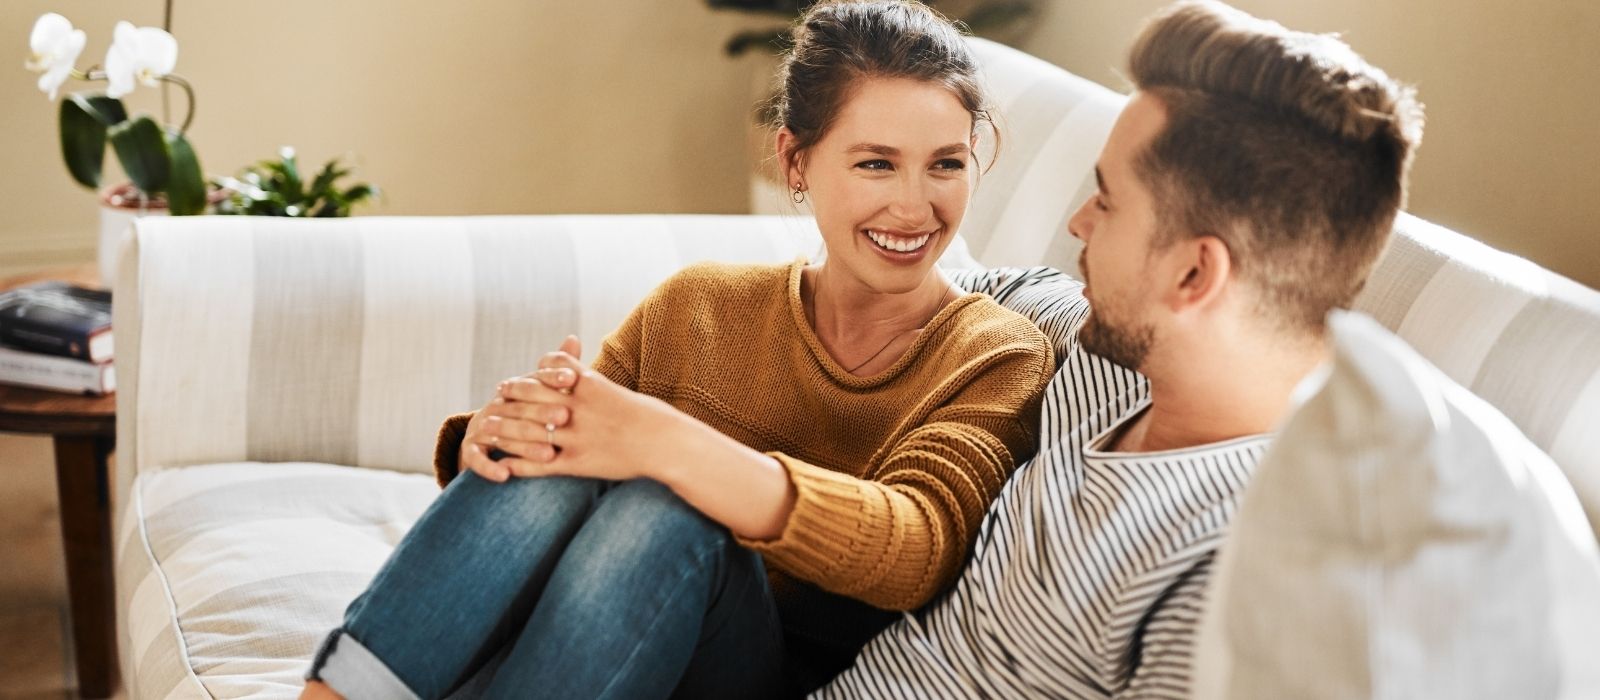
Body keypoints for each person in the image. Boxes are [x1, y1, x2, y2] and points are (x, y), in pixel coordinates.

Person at [300, 1, 1054, 698]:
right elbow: (566, 483)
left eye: (946, 164)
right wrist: (499, 440)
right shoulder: (699, 305)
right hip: (595, 654)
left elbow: (915, 549)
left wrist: (667, 445)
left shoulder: (994, 353)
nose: (915, 205)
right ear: (796, 163)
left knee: (670, 513)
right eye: (876, 163)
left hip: (753, 672)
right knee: (566, 439)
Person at [819, 0, 1425, 697]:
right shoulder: (1108, 361)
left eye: (1105, 202)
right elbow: (952, 286)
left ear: (1193, 274)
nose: (1078, 223)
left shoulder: (1247, 574)